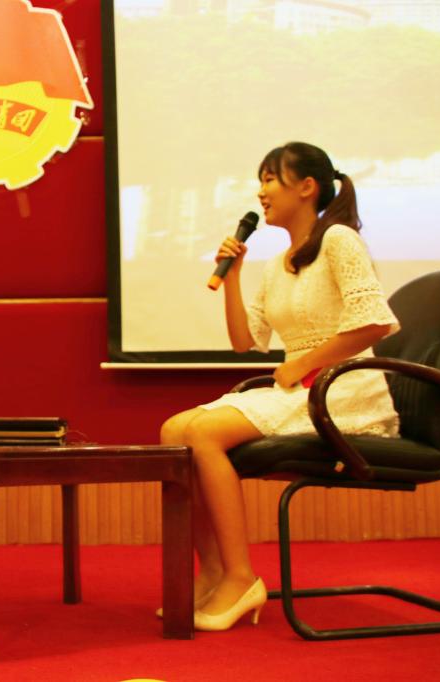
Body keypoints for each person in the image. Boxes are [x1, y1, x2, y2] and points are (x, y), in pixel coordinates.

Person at [160, 142, 401, 631]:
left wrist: (306, 362)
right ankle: (212, 570)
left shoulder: (339, 240)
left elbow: (374, 323)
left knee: (203, 433)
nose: (261, 192)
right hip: (301, 386)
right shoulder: (278, 264)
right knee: (173, 431)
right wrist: (232, 277)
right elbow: (243, 341)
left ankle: (241, 577)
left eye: (270, 179)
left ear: (306, 187)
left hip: (344, 388)